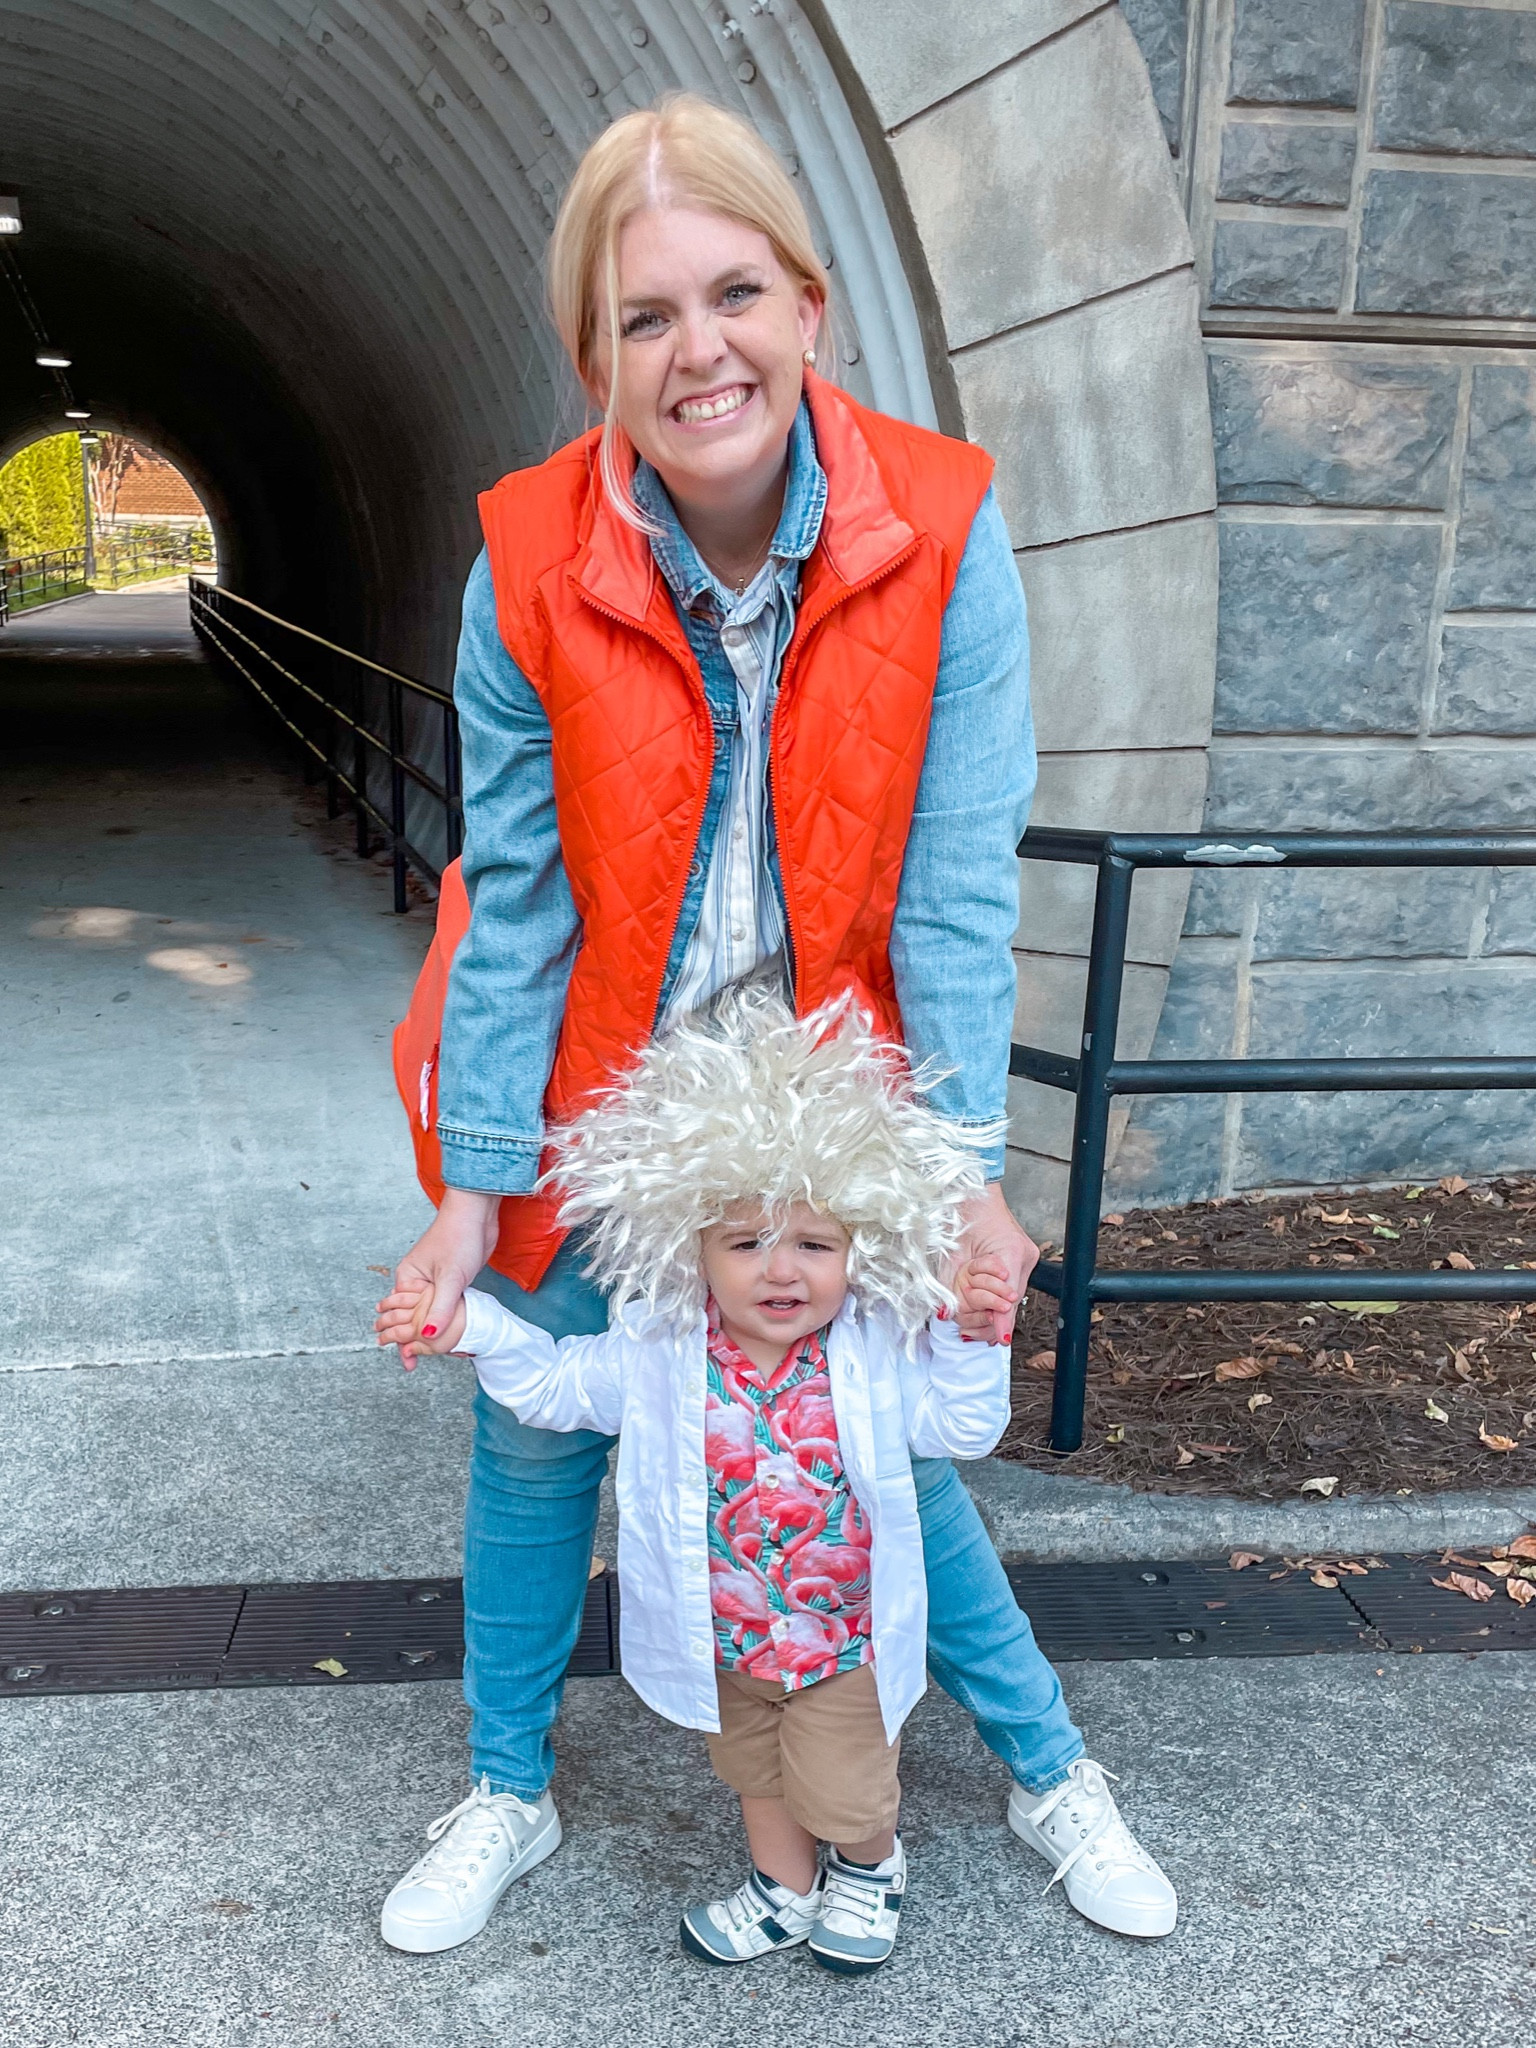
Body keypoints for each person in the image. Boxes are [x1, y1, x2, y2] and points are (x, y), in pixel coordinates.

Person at [378, 90, 1177, 1954]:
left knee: (886, 1460)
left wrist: (963, 1175)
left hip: (832, 1116)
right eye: (644, 316)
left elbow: (955, 890)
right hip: (604, 1104)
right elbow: (516, 902)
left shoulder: (943, 528)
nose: (699, 350)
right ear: (594, 357)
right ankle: (505, 1787)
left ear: (810, 303)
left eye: (733, 293)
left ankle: (1051, 1769)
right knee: (532, 1449)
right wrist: (475, 1191)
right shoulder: (526, 558)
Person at [379, 986, 1018, 1973]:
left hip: (842, 1643)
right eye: (746, 1242)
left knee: (846, 1786)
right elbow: (552, 1386)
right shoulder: (660, 1349)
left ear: (860, 1246)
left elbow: (965, 1427)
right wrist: (474, 1328)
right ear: (694, 1248)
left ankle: (870, 1868)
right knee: (755, 1774)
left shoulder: (873, 1354)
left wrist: (970, 1337)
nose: (782, 1270)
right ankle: (783, 1889)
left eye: (814, 1244)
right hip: (727, 1640)